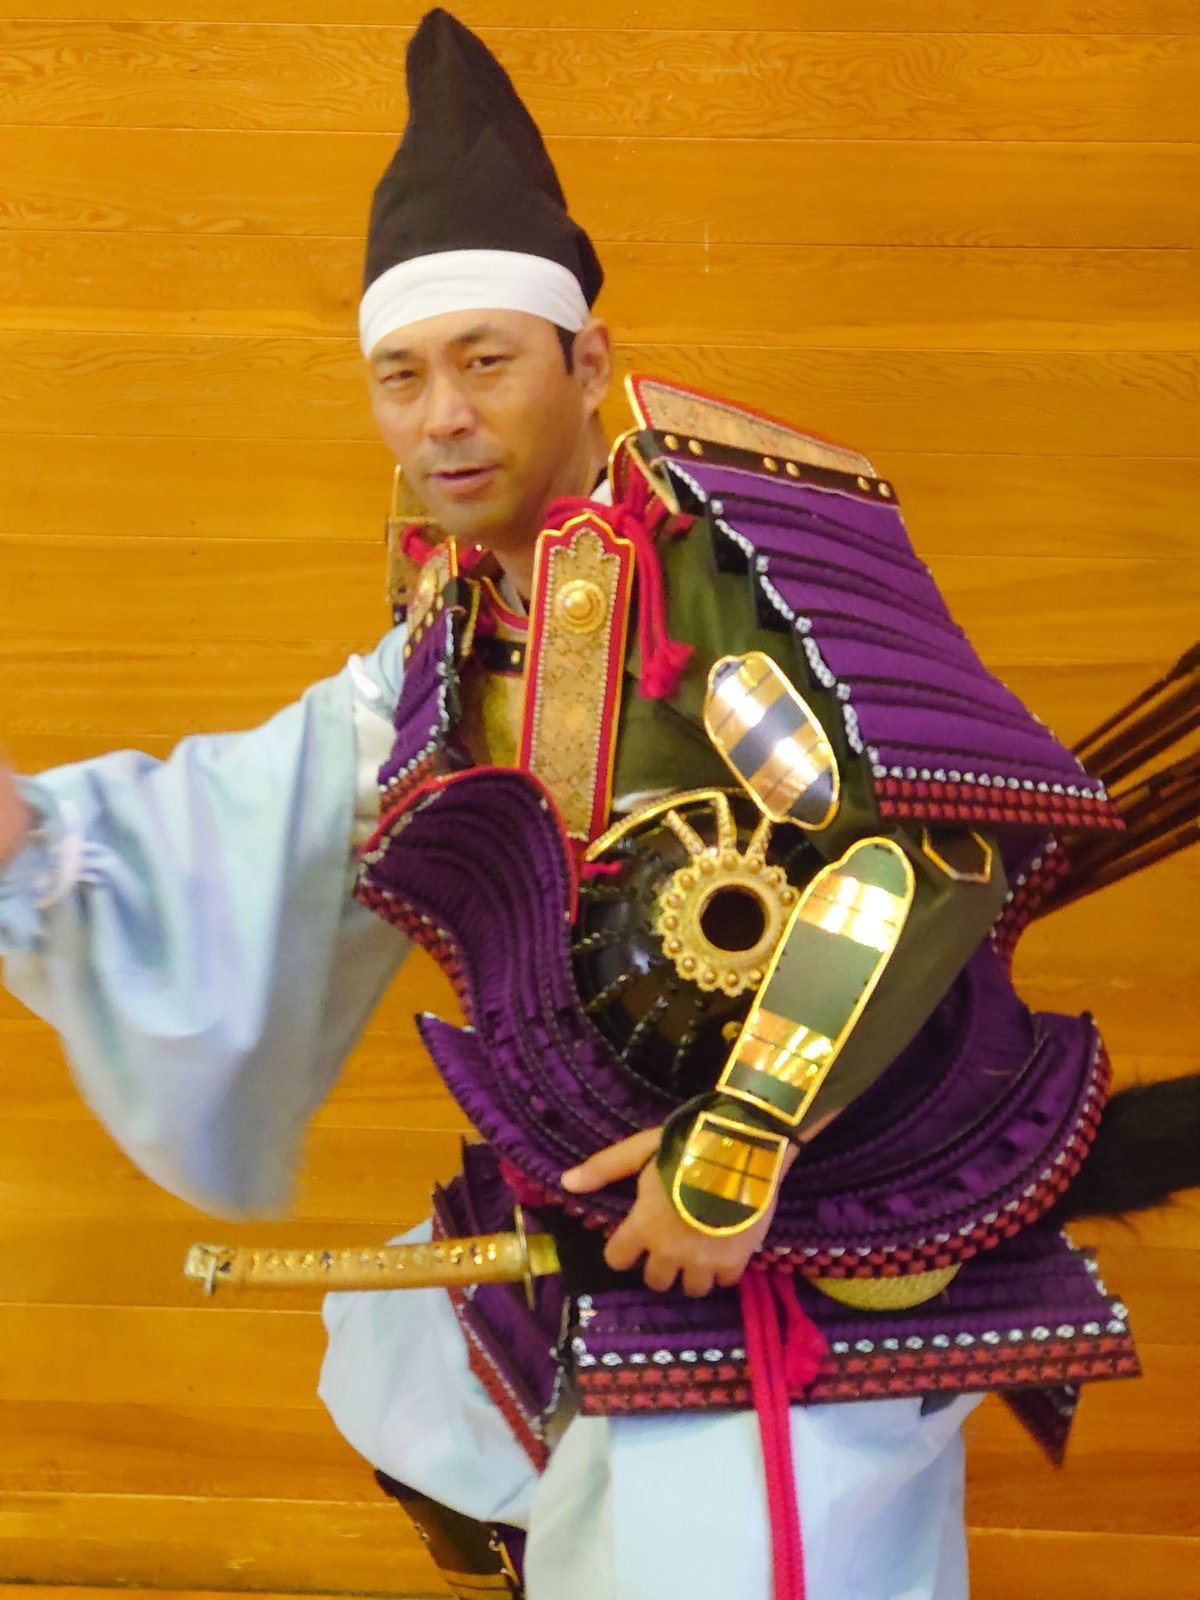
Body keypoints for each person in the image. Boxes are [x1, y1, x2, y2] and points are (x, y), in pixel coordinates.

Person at [1, 12, 1197, 1600]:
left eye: (486, 361)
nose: (442, 417)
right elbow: (274, 801)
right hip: (604, 1171)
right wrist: (43, 846)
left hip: (819, 1172)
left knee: (717, 1555)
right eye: (401, 377)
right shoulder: (455, 625)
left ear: (589, 363)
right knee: (414, 1381)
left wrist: (740, 1140)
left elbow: (935, 843)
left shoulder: (729, 567)